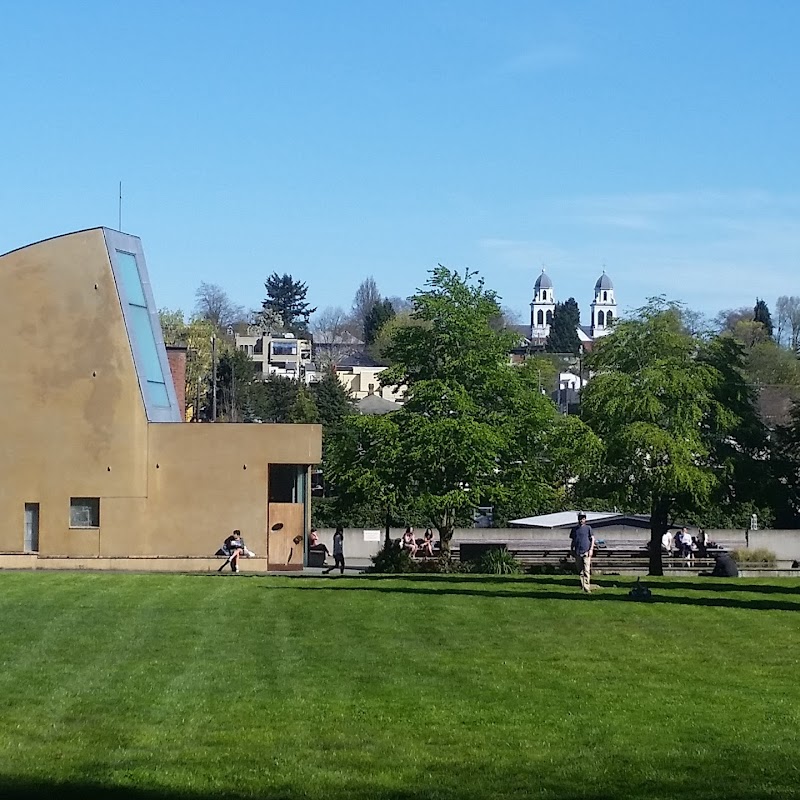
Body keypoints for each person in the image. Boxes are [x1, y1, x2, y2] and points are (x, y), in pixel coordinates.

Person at [569, 513, 595, 593]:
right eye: (580, 518)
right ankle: (583, 586)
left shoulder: (588, 528)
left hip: (586, 551)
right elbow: (573, 540)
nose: (581, 520)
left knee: (586, 570)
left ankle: (587, 587)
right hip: (577, 551)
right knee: (580, 571)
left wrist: (591, 549)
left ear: (585, 519)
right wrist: (571, 549)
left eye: (583, 519)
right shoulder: (574, 529)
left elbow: (592, 539)